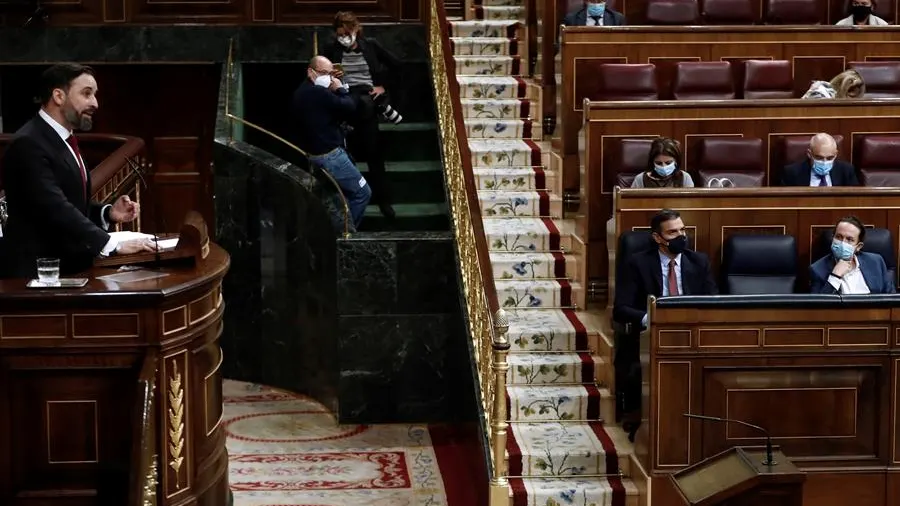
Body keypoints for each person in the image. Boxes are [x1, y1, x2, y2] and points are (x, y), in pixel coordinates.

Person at [0, 63, 155, 279]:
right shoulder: (29, 143)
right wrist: (109, 243)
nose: (95, 103)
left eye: (94, 95)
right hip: (37, 277)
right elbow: (52, 206)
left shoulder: (64, 139)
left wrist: (107, 213)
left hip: (67, 270)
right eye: (86, 94)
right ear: (58, 96)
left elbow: (65, 199)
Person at [612, 209, 717, 440]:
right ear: (657, 238)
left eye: (682, 230)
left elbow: (713, 302)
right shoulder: (637, 263)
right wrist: (649, 318)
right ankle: (654, 424)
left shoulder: (699, 261)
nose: (681, 236)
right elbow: (621, 308)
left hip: (691, 332)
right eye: (672, 232)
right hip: (650, 334)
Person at [324, 11, 402, 219]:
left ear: (356, 29)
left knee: (374, 153)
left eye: (347, 32)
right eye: (340, 34)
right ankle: (348, 199)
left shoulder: (371, 46)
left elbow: (397, 66)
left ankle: (383, 200)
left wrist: (383, 87)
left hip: (368, 99)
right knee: (345, 155)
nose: (344, 37)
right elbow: (321, 78)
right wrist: (332, 77)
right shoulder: (332, 50)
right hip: (345, 101)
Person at [289, 55, 371, 229]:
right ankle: (345, 237)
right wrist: (341, 88)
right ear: (311, 72)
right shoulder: (317, 92)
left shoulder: (301, 91)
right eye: (323, 73)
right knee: (362, 192)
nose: (328, 77)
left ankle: (336, 234)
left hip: (315, 155)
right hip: (331, 156)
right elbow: (348, 106)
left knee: (336, 200)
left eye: (330, 73)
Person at [810, 216, 895, 294]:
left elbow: (892, 300)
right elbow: (818, 307)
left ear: (858, 246)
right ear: (833, 238)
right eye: (838, 237)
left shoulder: (876, 262)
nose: (843, 243)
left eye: (849, 239)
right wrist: (835, 276)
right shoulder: (818, 269)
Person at [781, 133, 860, 187]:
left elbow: (855, 201)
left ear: (836, 154)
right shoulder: (791, 173)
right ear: (809, 154)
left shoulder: (846, 171)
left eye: (830, 158)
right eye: (819, 157)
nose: (824, 162)